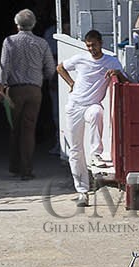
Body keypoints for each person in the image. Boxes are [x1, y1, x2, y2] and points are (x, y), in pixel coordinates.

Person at [58, 30, 126, 207]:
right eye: (88, 46)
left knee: (97, 112)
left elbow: (126, 80)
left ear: (101, 43)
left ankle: (96, 153)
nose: (92, 49)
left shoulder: (111, 60)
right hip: (74, 106)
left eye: (94, 45)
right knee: (75, 150)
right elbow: (60, 67)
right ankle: (82, 191)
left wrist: (115, 73)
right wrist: (71, 83)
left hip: (92, 104)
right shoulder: (80, 58)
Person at [0, 9, 50, 179]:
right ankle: (27, 170)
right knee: (29, 130)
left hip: (15, 90)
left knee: (15, 129)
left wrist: (0, 86)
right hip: (34, 90)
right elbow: (50, 68)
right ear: (34, 24)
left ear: (17, 24)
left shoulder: (9, 42)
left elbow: (4, 66)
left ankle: (15, 166)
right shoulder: (42, 43)